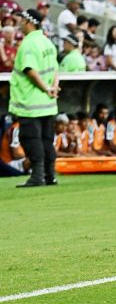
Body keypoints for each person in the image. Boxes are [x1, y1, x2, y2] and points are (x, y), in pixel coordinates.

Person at [10, 10, 61, 187]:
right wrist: (53, 88)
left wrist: (46, 88)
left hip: (31, 103)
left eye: (22, 20)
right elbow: (55, 69)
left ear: (29, 22)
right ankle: (50, 175)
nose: (20, 24)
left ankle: (37, 176)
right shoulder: (47, 42)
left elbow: (30, 70)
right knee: (47, 140)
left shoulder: (29, 44)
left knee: (31, 139)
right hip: (48, 103)